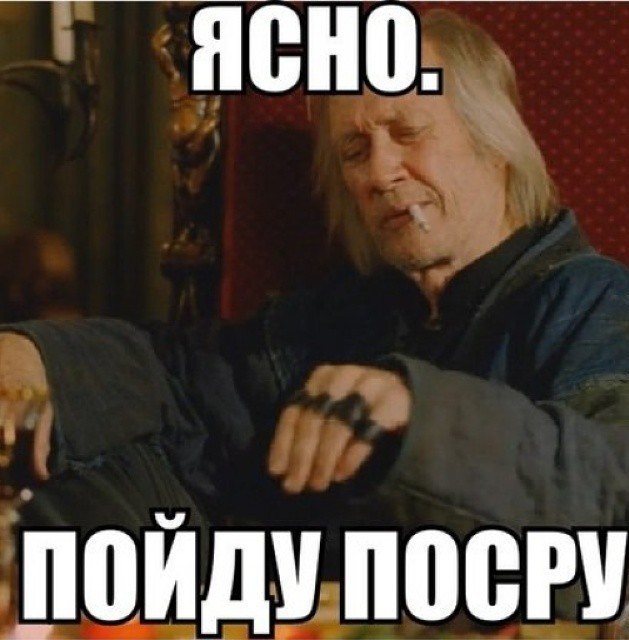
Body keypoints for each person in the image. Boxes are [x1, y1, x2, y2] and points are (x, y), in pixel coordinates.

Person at [2, 8, 628, 618]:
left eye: (407, 131)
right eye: (354, 150)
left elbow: (610, 487)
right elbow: (180, 376)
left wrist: (417, 415)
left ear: (495, 144)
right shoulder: (350, 311)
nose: (379, 172)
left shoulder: (592, 299)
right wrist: (38, 361)